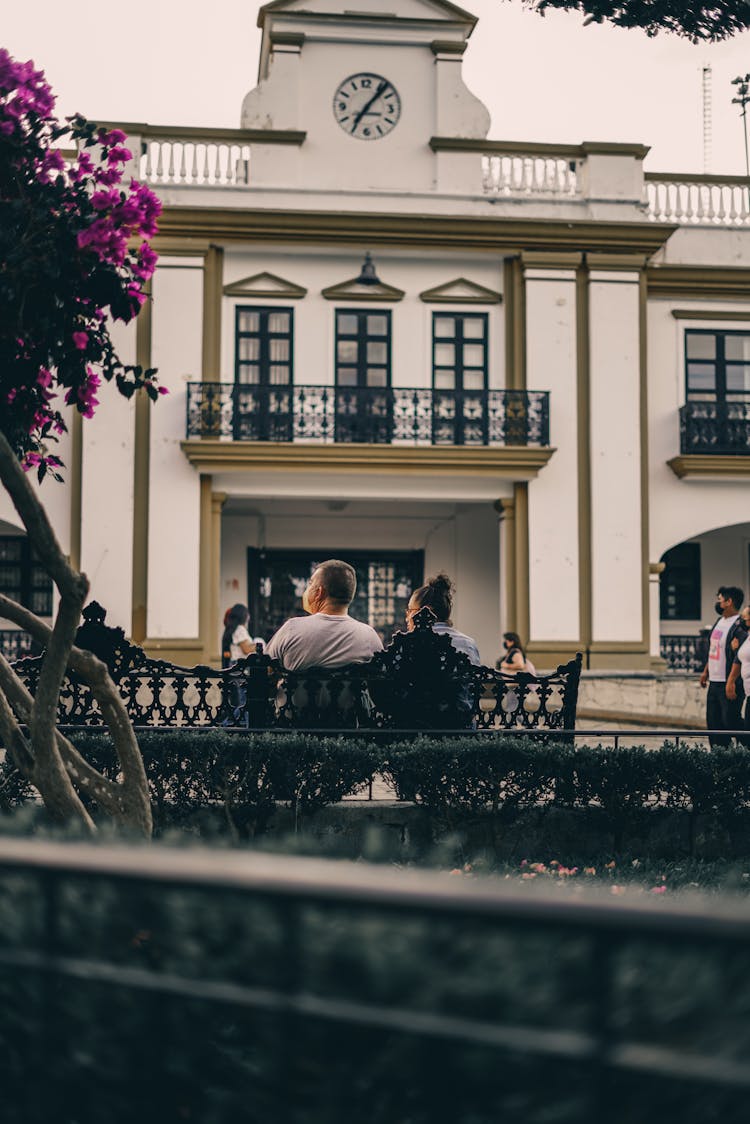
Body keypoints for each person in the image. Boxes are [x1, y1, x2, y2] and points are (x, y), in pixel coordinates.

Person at [265, 559, 383, 670]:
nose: (306, 590)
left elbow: (263, 670)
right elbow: (381, 685)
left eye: (310, 584)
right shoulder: (369, 636)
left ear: (319, 593)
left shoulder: (291, 629)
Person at [699, 586, 748, 748]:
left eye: (720, 600)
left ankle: (747, 748)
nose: (717, 603)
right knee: (714, 723)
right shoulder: (719, 621)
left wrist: (731, 682)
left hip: (729, 682)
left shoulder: (739, 625)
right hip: (714, 681)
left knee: (731, 721)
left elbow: (739, 658)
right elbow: (714, 649)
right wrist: (706, 671)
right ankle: (720, 758)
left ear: (729, 602)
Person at [405, 574, 480, 664]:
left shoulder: (406, 644)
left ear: (426, 611)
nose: (407, 618)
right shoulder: (468, 644)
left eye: (410, 610)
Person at [726, 604, 750, 733]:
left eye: (745, 618)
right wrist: (731, 680)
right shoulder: (746, 636)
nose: (742, 621)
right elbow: (739, 659)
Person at [221, 604, 260, 668]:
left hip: (235, 663)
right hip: (241, 665)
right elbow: (246, 649)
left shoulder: (233, 628)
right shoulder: (240, 629)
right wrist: (258, 644)